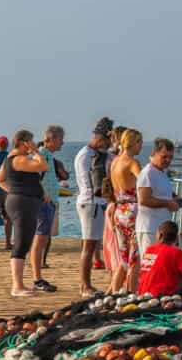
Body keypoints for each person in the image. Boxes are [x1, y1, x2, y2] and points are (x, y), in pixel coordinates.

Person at [0, 130, 47, 297]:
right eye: (31, 141)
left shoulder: (9, 158)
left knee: (24, 241)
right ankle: (17, 286)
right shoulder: (19, 159)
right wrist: (36, 152)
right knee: (22, 243)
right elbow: (43, 166)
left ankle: (19, 285)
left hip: (21, 201)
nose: (34, 143)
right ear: (25, 143)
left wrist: (14, 191)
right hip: (23, 203)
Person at [72, 117, 114, 295]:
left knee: (91, 245)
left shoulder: (97, 153)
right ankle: (85, 285)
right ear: (99, 138)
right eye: (107, 142)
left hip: (94, 203)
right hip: (91, 203)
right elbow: (92, 184)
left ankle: (87, 284)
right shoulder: (87, 155)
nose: (108, 145)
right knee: (88, 246)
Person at [28, 124, 70, 293]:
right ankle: (37, 278)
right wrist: (43, 194)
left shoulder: (48, 156)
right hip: (43, 203)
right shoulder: (42, 155)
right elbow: (33, 178)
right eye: (61, 139)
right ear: (51, 139)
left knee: (42, 239)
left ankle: (38, 277)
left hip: (49, 202)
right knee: (39, 240)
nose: (63, 143)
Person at [103, 128, 142, 295]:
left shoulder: (115, 162)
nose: (141, 146)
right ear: (133, 143)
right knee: (135, 258)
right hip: (132, 210)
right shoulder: (132, 163)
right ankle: (132, 295)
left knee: (124, 259)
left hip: (119, 210)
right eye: (140, 142)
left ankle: (114, 293)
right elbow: (145, 182)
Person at [135, 138, 180, 250]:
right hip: (150, 228)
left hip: (162, 228)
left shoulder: (162, 171)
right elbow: (144, 200)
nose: (167, 160)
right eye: (164, 157)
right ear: (154, 153)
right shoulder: (147, 173)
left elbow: (160, 191)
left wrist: (174, 197)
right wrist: (168, 203)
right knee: (150, 260)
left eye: (170, 157)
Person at [136, 220, 182, 297]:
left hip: (143, 294)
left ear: (160, 235)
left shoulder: (149, 250)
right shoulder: (177, 252)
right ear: (176, 238)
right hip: (162, 295)